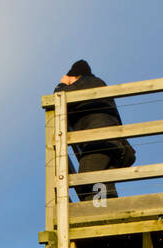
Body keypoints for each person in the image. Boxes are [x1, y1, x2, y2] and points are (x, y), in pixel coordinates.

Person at [53, 60, 135, 202]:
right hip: (114, 144)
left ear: (75, 76)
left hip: (99, 142)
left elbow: (58, 97)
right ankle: (106, 215)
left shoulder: (86, 82)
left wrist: (62, 83)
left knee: (85, 181)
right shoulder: (95, 84)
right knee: (101, 185)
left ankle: (96, 216)